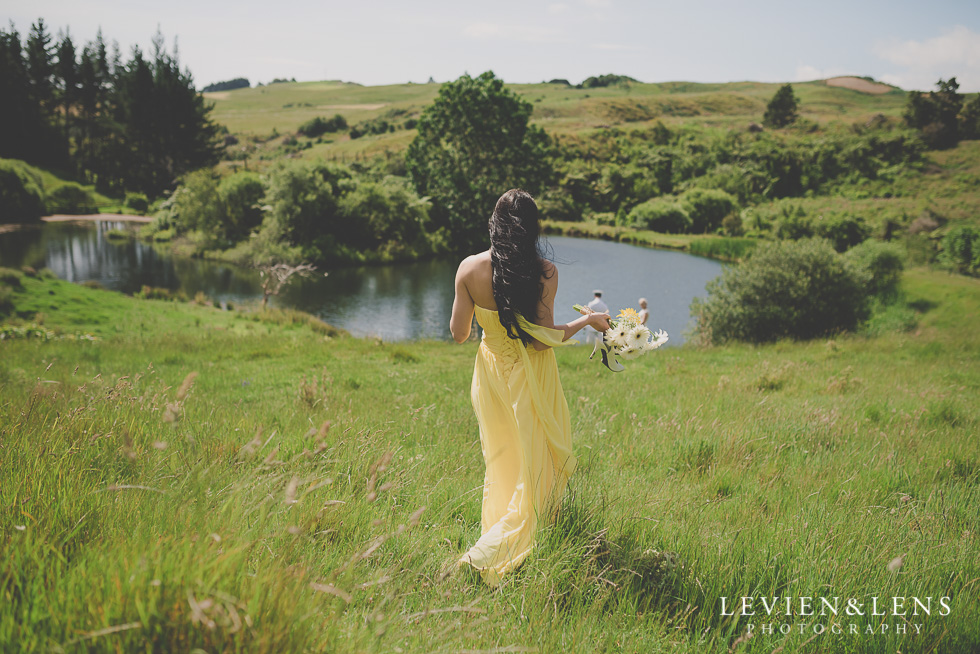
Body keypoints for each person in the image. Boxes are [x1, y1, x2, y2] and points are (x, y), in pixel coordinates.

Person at [449, 189, 611, 586]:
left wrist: (488, 322)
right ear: (532, 227)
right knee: (539, 464)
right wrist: (588, 321)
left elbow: (457, 334)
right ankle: (487, 554)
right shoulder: (543, 271)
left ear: (494, 222)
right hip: (532, 376)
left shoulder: (468, 268)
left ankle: (501, 540)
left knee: (502, 458)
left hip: (489, 375)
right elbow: (540, 339)